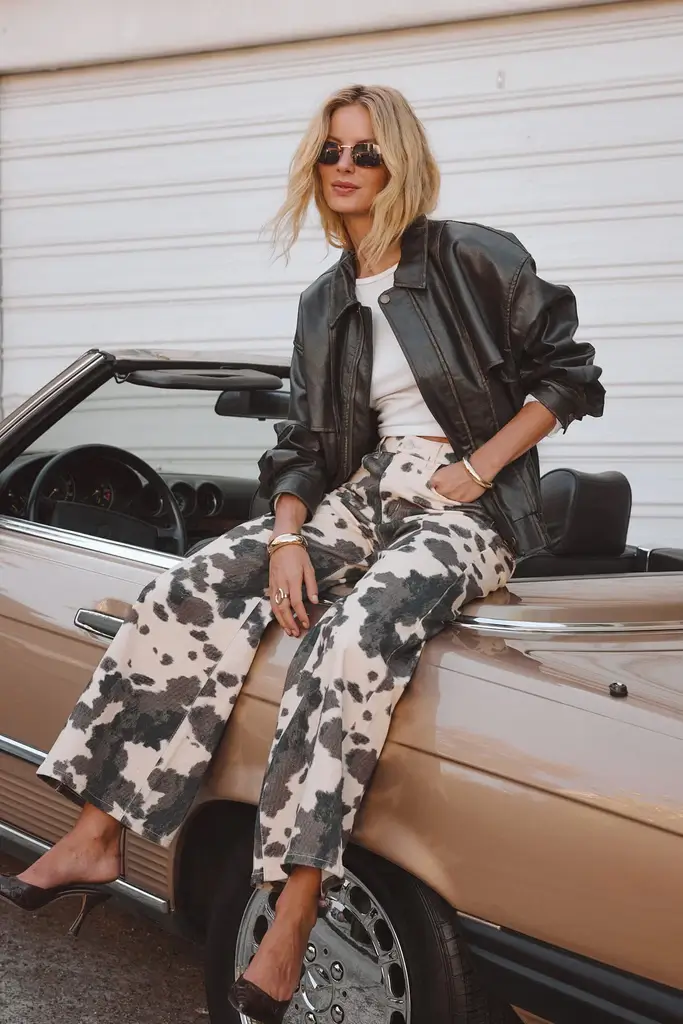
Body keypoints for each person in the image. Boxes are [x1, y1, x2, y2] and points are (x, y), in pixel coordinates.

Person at [0, 84, 604, 1023]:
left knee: (349, 640)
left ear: (399, 160)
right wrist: (286, 535)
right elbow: (307, 447)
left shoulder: (472, 256)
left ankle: (290, 912)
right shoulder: (323, 303)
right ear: (314, 169)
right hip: (361, 493)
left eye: (365, 152)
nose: (347, 169)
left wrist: (477, 468)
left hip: (468, 507)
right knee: (193, 584)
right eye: (331, 153)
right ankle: (96, 833)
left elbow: (570, 376)